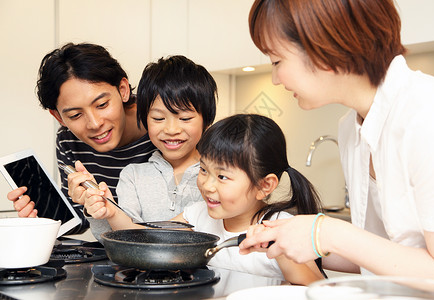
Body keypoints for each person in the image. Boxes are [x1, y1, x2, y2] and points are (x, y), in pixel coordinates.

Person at [239, 0, 434, 280]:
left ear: (324, 46)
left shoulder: (432, 115)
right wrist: (295, 238)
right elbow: (385, 257)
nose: (276, 78)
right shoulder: (351, 129)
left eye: (277, 60)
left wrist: (327, 231)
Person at [85, 113, 325, 284]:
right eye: (203, 170)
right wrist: (111, 211)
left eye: (222, 176)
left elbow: (315, 290)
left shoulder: (280, 230)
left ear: (264, 185)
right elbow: (149, 243)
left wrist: (283, 256)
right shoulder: (196, 216)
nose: (207, 185)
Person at [7, 43, 156, 234]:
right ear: (58, 117)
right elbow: (82, 220)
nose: (94, 124)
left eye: (102, 104)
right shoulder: (68, 141)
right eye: (76, 115)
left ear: (123, 89)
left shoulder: (165, 128)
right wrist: (45, 218)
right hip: (119, 252)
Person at [76, 55, 217, 240]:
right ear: (145, 120)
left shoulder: (218, 176)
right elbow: (126, 238)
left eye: (185, 118)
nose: (171, 130)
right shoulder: (133, 176)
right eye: (158, 118)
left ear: (206, 120)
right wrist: (107, 210)